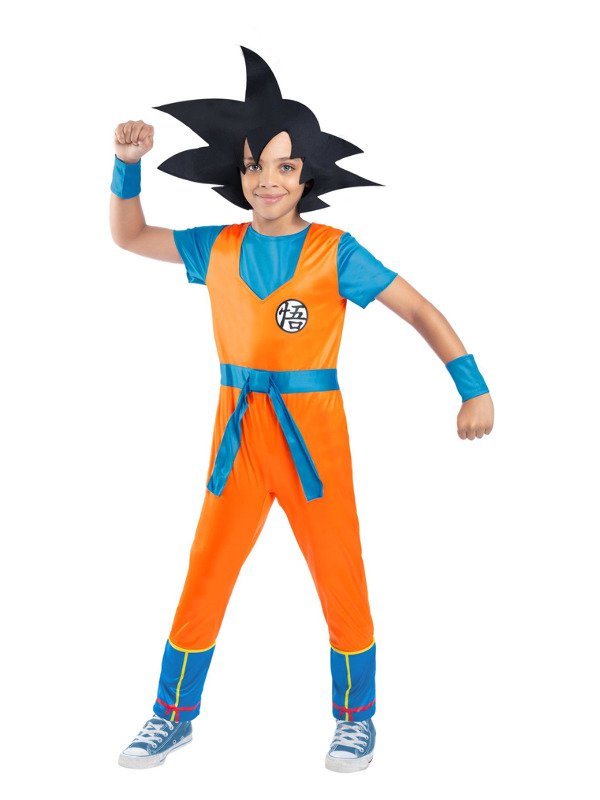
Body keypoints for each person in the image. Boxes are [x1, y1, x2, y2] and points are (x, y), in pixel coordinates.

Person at [110, 46, 494, 773]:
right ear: (238, 174)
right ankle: (172, 714)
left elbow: (417, 309)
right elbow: (128, 236)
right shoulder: (215, 248)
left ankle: (356, 718)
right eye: (255, 165)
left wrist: (471, 386)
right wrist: (126, 169)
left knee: (339, 571)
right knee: (207, 568)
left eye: (285, 167)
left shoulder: (333, 253)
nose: (268, 179)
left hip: (312, 438)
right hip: (238, 435)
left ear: (307, 175)